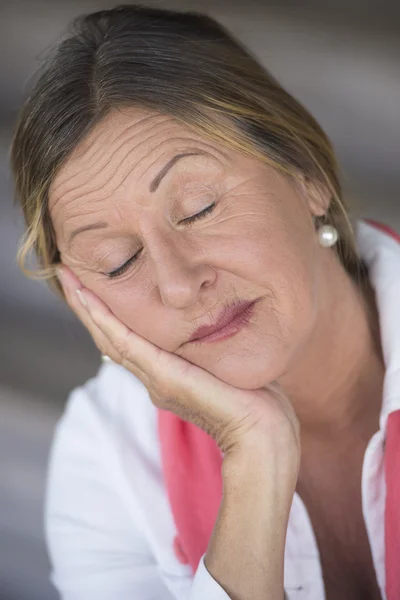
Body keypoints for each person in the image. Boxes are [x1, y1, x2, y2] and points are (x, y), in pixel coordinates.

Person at [10, 4, 400, 600]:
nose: (178, 284)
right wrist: (255, 457)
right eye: (119, 261)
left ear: (305, 174)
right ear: (85, 297)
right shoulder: (108, 456)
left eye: (199, 208)